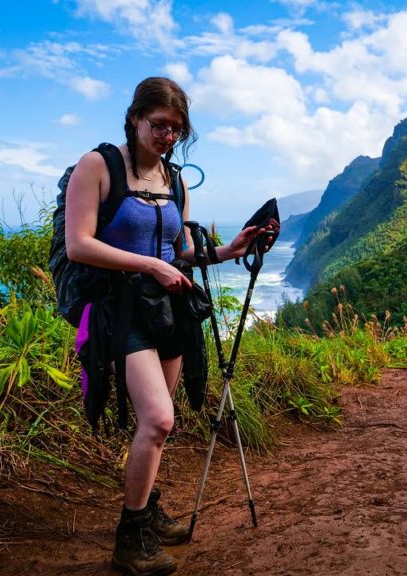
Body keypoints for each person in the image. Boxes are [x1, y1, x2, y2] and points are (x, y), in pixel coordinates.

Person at [64, 76, 269, 576]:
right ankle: (129, 538)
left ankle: (148, 512)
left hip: (168, 311)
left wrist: (226, 251)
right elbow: (79, 244)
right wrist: (148, 266)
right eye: (159, 125)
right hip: (120, 309)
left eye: (177, 129)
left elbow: (178, 256)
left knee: (154, 424)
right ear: (134, 118)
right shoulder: (98, 166)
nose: (167, 136)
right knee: (159, 419)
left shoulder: (174, 181)